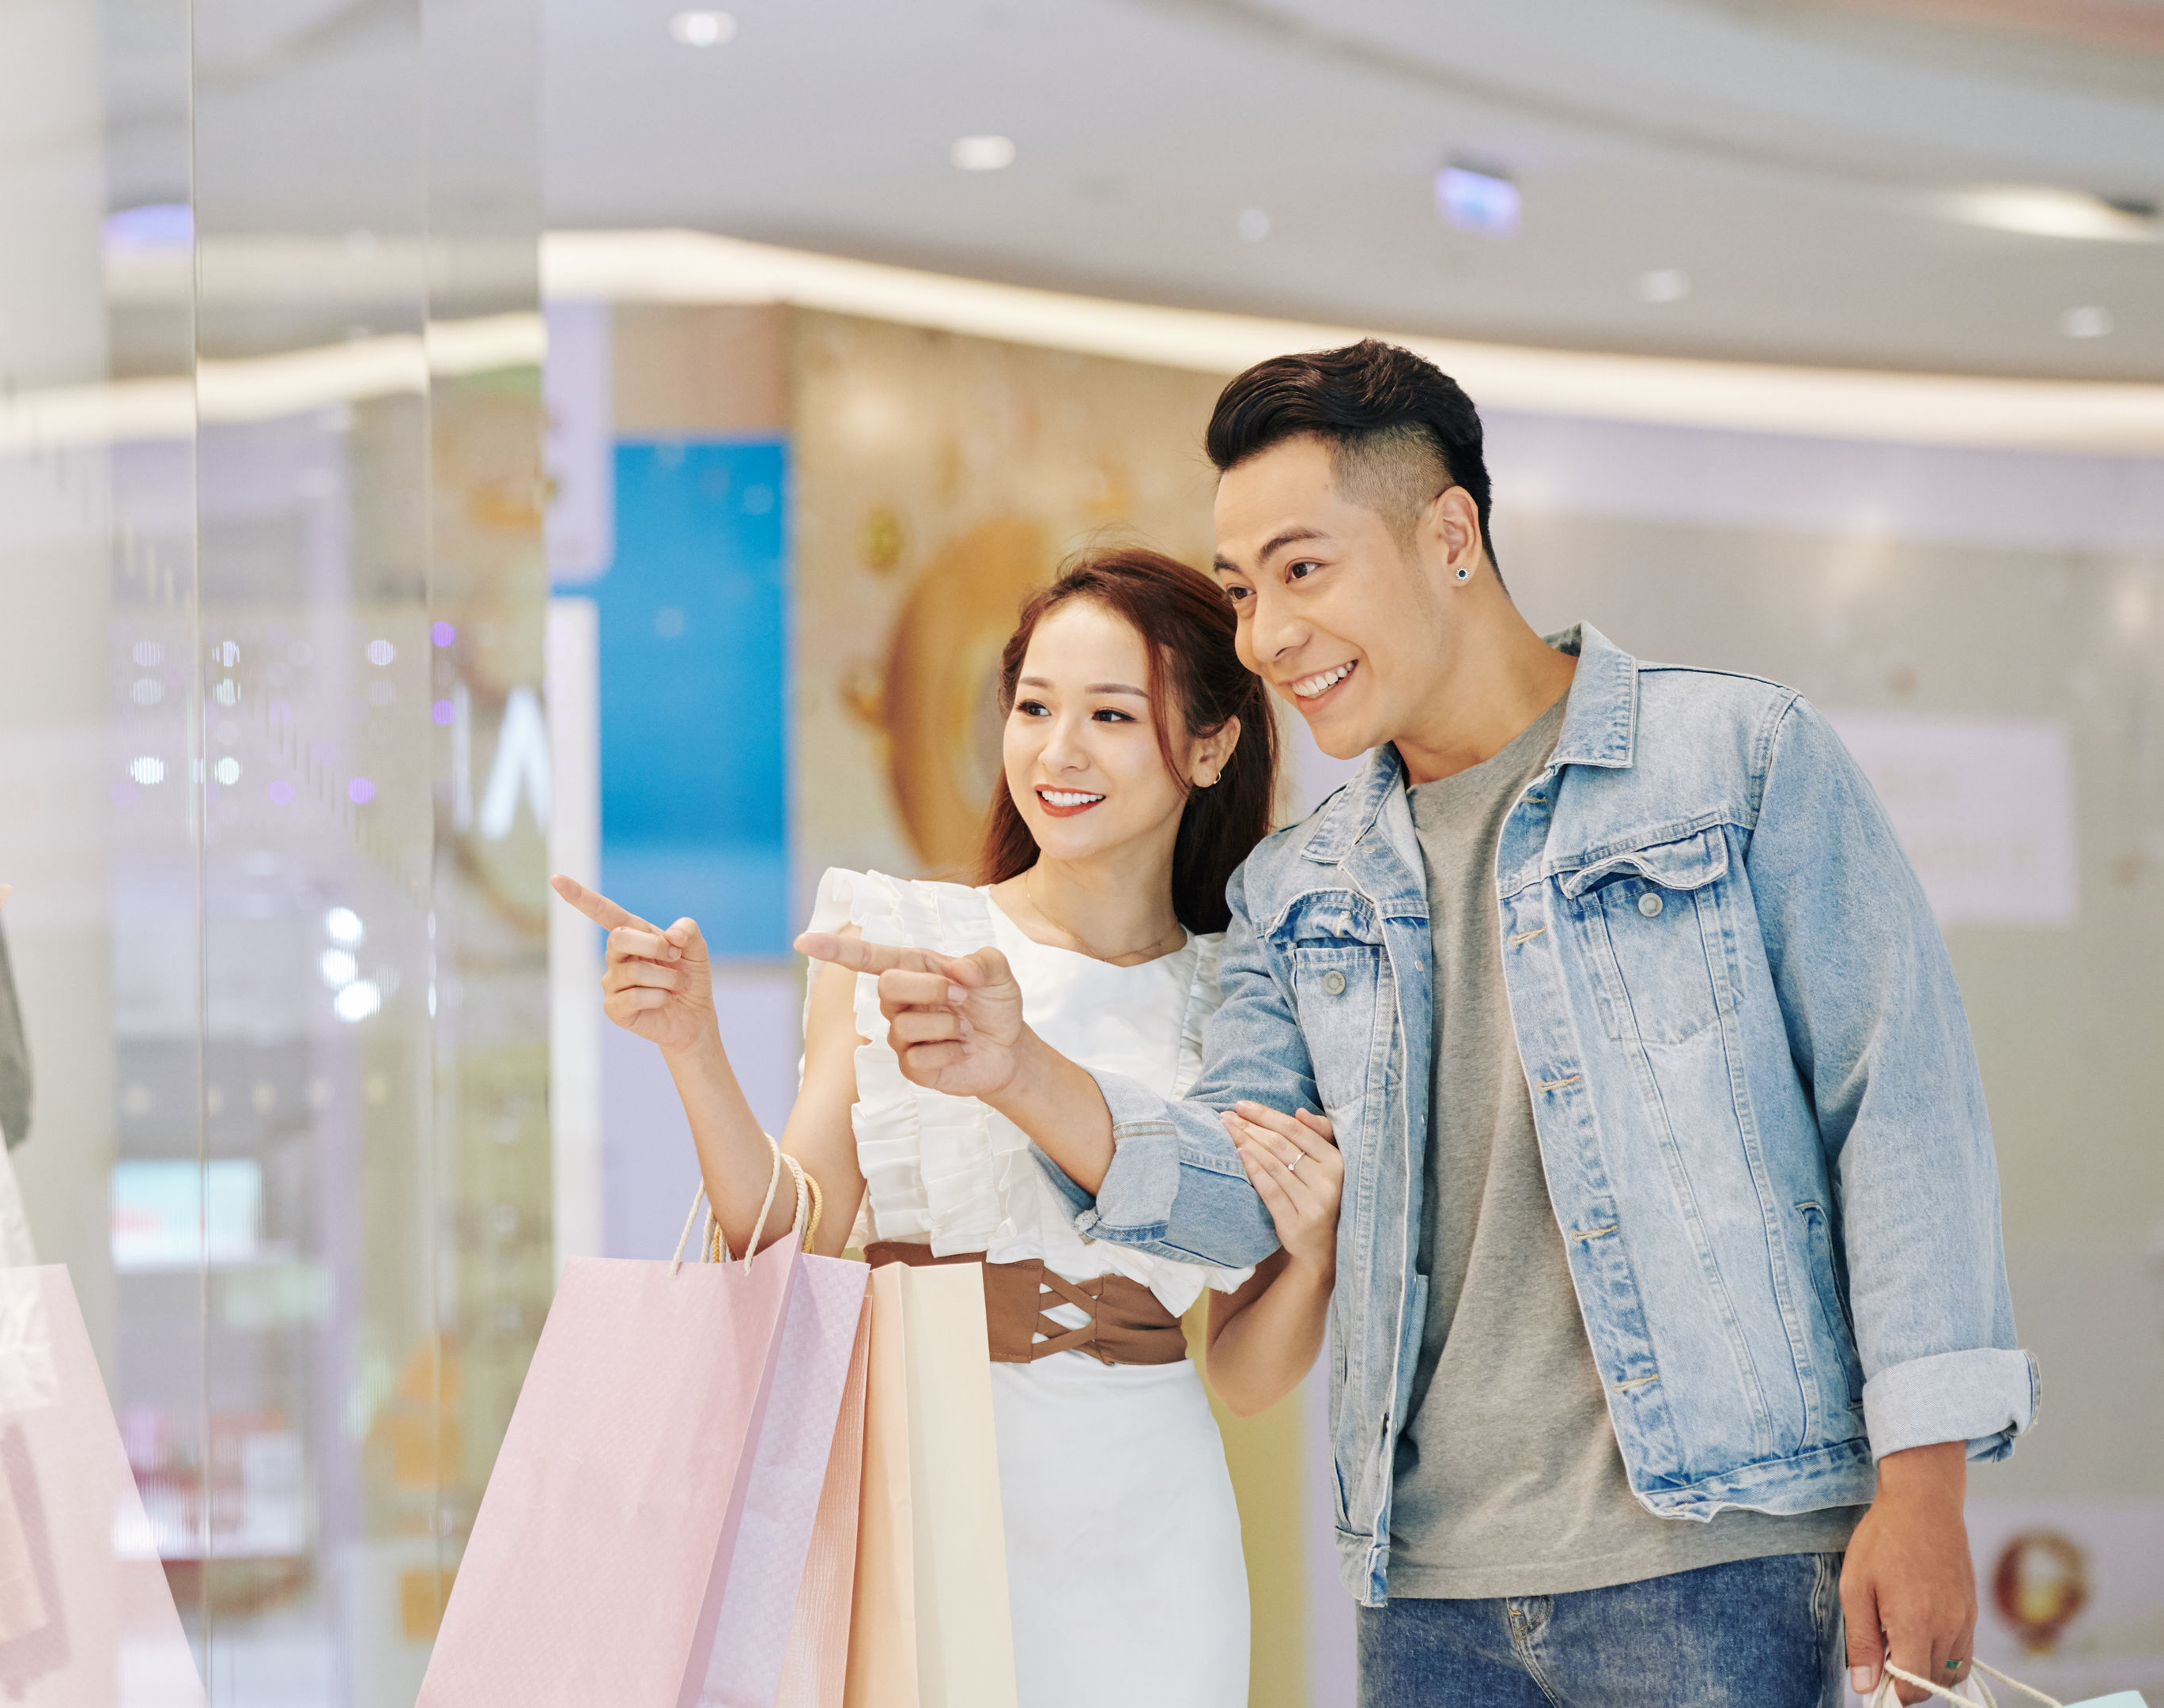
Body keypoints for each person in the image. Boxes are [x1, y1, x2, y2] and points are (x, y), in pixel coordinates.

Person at [809, 340, 2035, 1707]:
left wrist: (1922, 1486)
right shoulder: (1300, 887)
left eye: (1302, 570)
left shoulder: (1738, 766)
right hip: (1430, 1601)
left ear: (1449, 534)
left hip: (1725, 1562)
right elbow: (1234, 1190)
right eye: (1241, 590)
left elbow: (1901, 1115)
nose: (1269, 636)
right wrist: (1020, 1070)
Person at [557, 547, 1343, 1705]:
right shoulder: (899, 934)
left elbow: (1238, 1375)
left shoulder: (1249, 990)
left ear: (1213, 744)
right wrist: (694, 1050)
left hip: (1146, 1524)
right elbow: (796, 1239)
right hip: (914, 1470)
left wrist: (1315, 1254)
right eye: (1034, 707)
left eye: (1111, 715)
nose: (1057, 752)